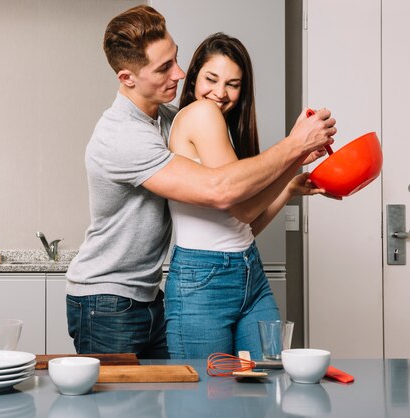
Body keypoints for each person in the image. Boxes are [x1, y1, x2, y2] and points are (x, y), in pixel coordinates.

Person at [65, 5, 335, 359]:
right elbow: (224, 193)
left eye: (175, 59)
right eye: (164, 68)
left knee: (185, 393)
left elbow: (237, 217)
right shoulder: (122, 136)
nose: (179, 74)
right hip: (106, 297)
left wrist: (289, 178)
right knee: (124, 406)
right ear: (127, 77)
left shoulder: (168, 118)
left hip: (149, 294)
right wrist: (295, 145)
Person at [164, 33, 324, 360]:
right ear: (193, 78)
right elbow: (242, 207)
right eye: (211, 79)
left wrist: (290, 183)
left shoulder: (222, 130)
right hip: (203, 282)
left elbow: (244, 224)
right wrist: (296, 146)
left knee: (267, 381)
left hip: (249, 270)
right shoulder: (200, 114)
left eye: (233, 84)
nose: (220, 93)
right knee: (206, 401)